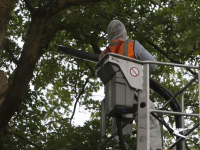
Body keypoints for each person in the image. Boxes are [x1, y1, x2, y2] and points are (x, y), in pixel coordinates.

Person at [100, 20, 162, 150]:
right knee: (150, 122)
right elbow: (153, 66)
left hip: (114, 100)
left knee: (120, 135)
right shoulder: (132, 45)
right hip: (137, 94)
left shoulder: (103, 55)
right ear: (124, 32)